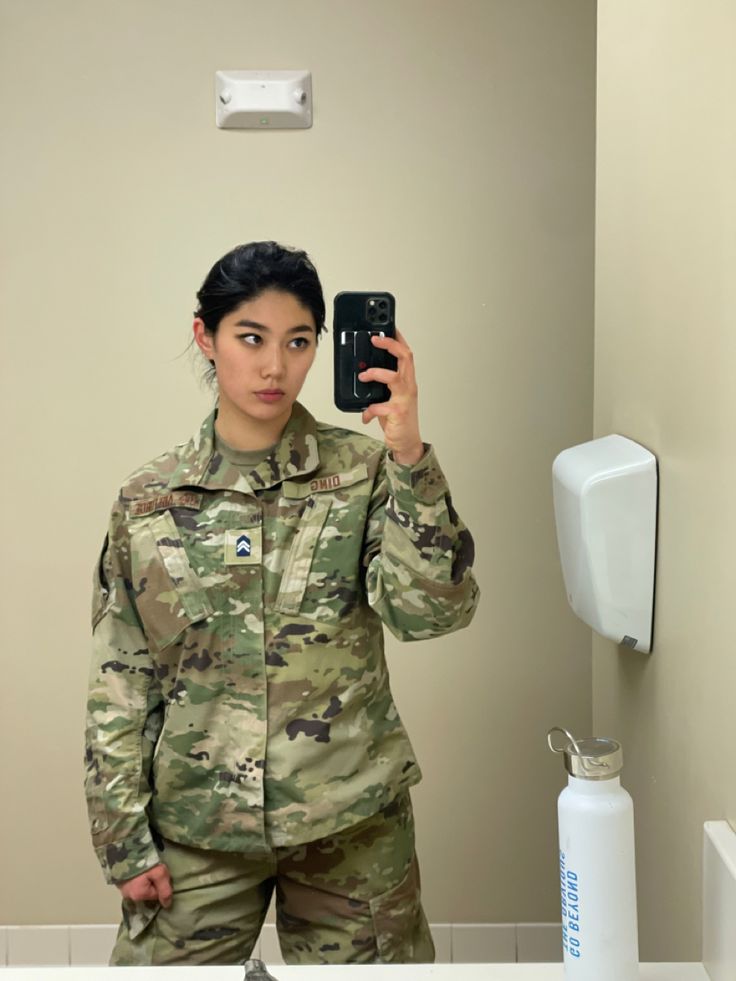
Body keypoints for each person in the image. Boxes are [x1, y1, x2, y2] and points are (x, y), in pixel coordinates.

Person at [85, 241, 480, 966]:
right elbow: (121, 677)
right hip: (198, 827)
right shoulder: (148, 500)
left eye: (299, 341)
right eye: (251, 338)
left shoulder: (364, 472)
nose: (275, 367)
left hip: (350, 827)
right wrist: (122, 832)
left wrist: (410, 453)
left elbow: (432, 612)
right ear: (205, 336)